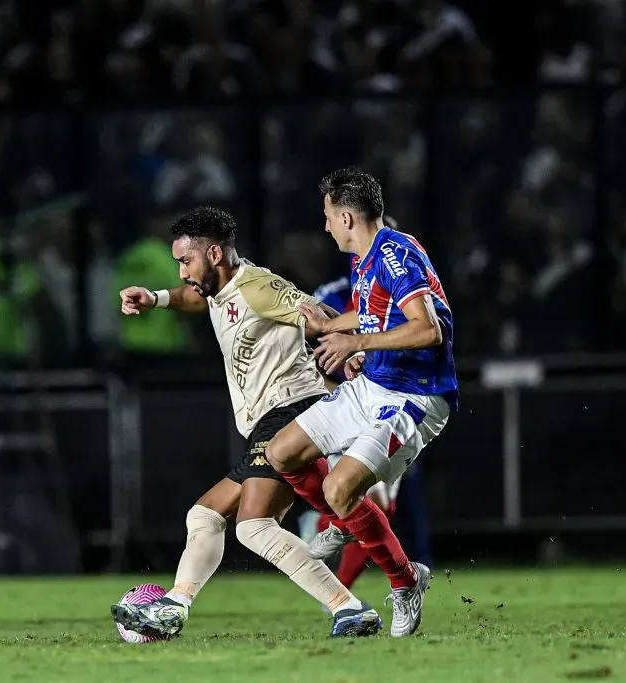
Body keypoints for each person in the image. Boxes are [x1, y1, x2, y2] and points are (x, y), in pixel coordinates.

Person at [111, 207, 381, 640]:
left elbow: (314, 312)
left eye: (185, 261)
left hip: (292, 411)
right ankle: (176, 604)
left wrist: (351, 349)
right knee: (203, 515)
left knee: (254, 526)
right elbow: (198, 298)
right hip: (267, 422)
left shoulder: (257, 286)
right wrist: (156, 298)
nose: (181, 272)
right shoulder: (221, 287)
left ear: (214, 253)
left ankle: (348, 607)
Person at [266, 168, 457, 638]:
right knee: (281, 451)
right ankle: (344, 519)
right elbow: (373, 316)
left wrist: (355, 345)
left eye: (328, 216)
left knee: (340, 489)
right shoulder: (367, 256)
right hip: (372, 385)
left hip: (414, 397)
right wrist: (334, 328)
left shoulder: (393, 254)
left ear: (347, 216)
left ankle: (405, 581)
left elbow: (428, 329)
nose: (325, 225)